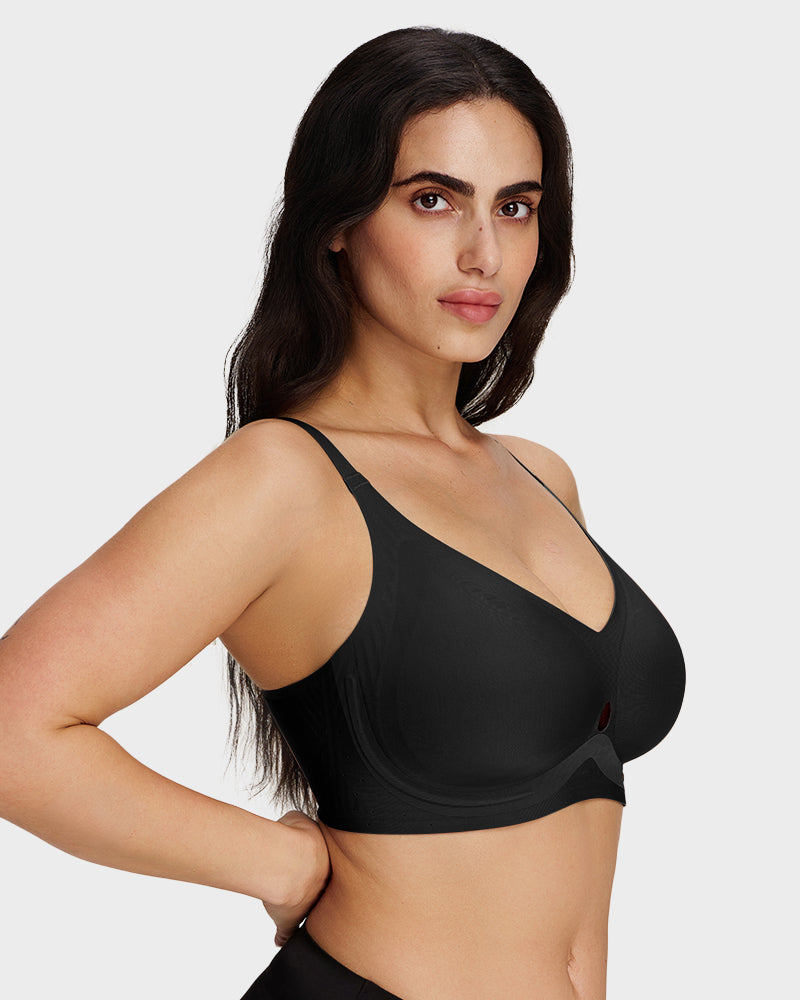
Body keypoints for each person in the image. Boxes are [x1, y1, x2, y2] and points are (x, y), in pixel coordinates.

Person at [0, 26, 686, 1000]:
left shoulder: (541, 477)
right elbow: (13, 727)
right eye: (432, 199)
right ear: (336, 219)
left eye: (516, 206)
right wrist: (272, 861)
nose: (484, 252)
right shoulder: (284, 479)